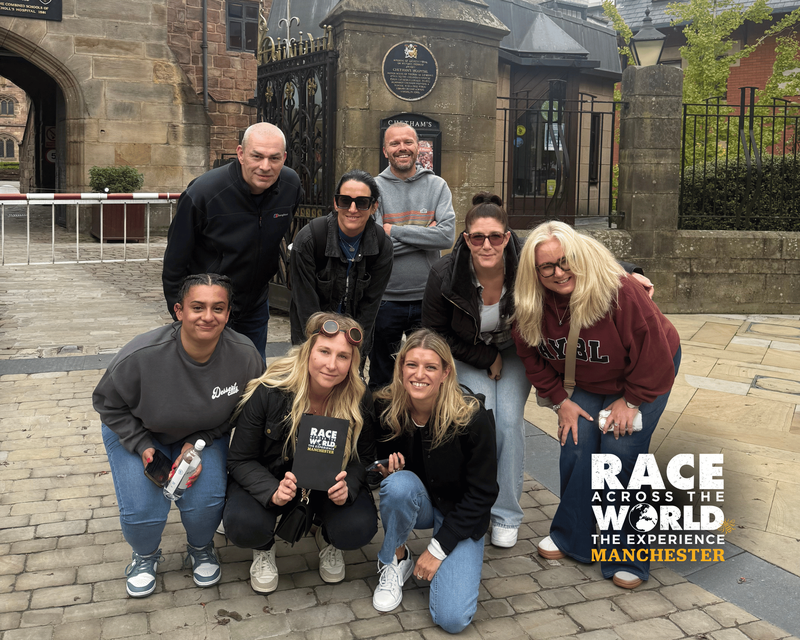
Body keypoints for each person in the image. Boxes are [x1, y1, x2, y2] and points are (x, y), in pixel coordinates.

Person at [513, 221, 681, 590]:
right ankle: (573, 536)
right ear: (535, 271)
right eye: (547, 267)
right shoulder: (531, 303)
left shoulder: (618, 291)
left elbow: (653, 355)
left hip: (646, 372)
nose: (559, 273)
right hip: (590, 381)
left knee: (619, 450)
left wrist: (631, 401)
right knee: (576, 443)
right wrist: (560, 402)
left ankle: (628, 555)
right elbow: (529, 354)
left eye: (566, 261)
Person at [93, 273, 264, 598]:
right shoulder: (142, 355)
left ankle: (200, 548)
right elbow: (106, 403)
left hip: (201, 439)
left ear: (228, 314)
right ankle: (144, 557)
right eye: (197, 306)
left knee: (205, 504)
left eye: (218, 308)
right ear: (178, 311)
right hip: (140, 432)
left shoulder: (245, 357)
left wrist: (201, 440)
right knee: (144, 512)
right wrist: (143, 447)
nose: (208, 316)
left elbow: (247, 411)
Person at [223, 312, 378, 593]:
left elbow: (364, 459)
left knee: (357, 528)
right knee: (244, 525)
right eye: (324, 351)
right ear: (308, 351)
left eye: (343, 356)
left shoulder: (358, 395)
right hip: (274, 478)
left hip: (326, 487)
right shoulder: (271, 390)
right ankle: (263, 547)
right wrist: (271, 490)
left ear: (352, 362)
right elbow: (240, 459)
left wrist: (349, 486)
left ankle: (328, 537)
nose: (332, 365)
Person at [422, 192, 531, 549]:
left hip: (513, 349)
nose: (487, 244)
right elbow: (435, 333)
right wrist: (484, 358)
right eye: (478, 237)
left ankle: (506, 514)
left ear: (507, 236)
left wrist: (632, 274)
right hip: (468, 353)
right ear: (466, 238)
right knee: (480, 418)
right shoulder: (444, 274)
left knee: (510, 421)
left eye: (496, 237)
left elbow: (578, 260)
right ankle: (475, 504)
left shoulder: (526, 259)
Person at [372, 329, 498, 634]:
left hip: (461, 512)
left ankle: (447, 554)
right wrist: (381, 471)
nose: (419, 374)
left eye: (430, 367)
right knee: (397, 486)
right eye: (411, 365)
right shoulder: (385, 407)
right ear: (400, 368)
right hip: (419, 500)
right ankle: (395, 560)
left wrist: (438, 550)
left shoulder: (472, 417)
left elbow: (483, 493)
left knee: (452, 620)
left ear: (445, 373)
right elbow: (369, 464)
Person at [162, 122, 304, 359]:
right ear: (240, 153)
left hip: (255, 302)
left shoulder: (291, 185)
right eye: (256, 156)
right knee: (206, 375)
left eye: (274, 158)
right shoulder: (203, 193)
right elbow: (175, 261)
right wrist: (181, 313)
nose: (265, 166)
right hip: (210, 307)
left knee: (251, 373)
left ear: (285, 157)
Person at [369, 123, 455, 389]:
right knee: (382, 376)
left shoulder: (437, 186)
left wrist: (393, 230)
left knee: (428, 376)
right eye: (394, 144)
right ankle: (381, 429)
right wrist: (423, 235)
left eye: (408, 142)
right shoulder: (374, 188)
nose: (402, 148)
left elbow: (446, 237)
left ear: (419, 147)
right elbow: (377, 247)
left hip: (428, 298)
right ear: (385, 150)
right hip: (386, 300)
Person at [289, 169, 393, 360]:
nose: (352, 209)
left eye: (361, 202)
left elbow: (370, 307)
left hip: (353, 340)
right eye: (345, 201)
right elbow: (305, 305)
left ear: (373, 206)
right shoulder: (309, 240)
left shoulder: (381, 245)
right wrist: (320, 350)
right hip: (311, 339)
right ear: (336, 203)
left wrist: (355, 351)